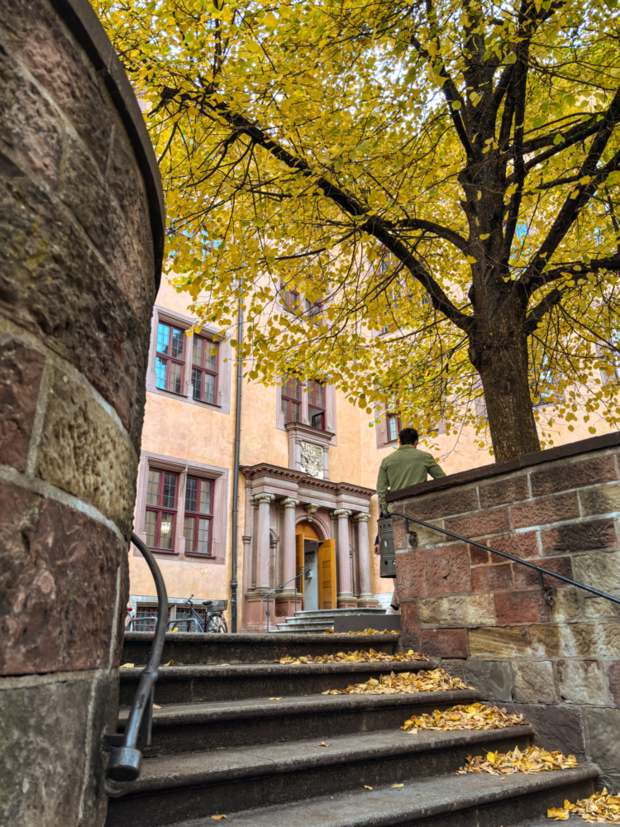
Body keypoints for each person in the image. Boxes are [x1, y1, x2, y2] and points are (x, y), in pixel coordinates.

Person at [374, 426, 446, 614]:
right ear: (416, 442)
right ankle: (397, 604)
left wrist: (387, 509)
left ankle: (395, 605)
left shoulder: (387, 461)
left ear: (399, 441)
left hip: (394, 517)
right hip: (419, 514)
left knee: (397, 560)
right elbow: (442, 480)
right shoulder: (425, 457)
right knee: (420, 556)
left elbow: (381, 490)